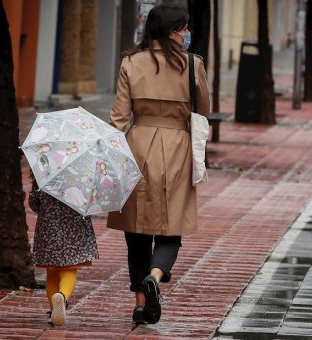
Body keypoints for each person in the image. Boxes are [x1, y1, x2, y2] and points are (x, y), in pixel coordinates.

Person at [107, 5, 210, 325]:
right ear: (171, 30)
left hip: (137, 147)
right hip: (178, 147)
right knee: (171, 226)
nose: (186, 34)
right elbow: (203, 107)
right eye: (183, 28)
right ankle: (155, 274)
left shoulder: (131, 62)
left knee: (136, 228)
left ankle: (140, 302)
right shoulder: (192, 64)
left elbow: (118, 119)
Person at [28, 171, 99, 326]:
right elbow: (91, 201)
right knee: (69, 269)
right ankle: (62, 296)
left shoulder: (43, 174)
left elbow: (34, 204)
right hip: (74, 229)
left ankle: (54, 310)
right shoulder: (82, 175)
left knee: (52, 271)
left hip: (49, 230)